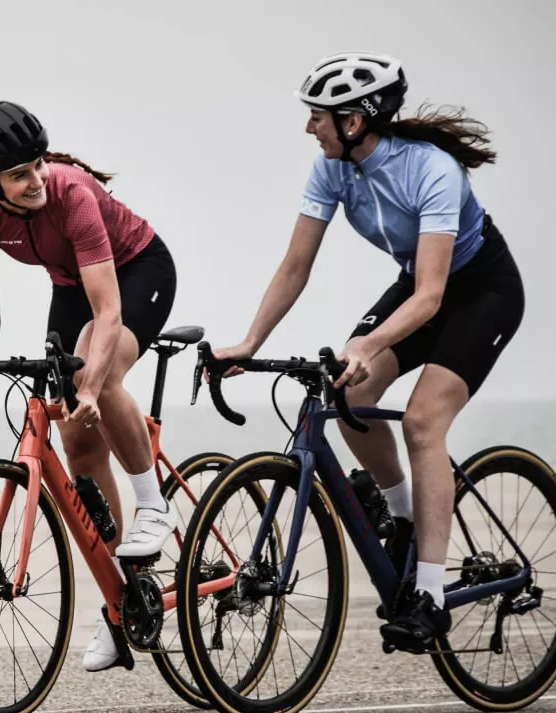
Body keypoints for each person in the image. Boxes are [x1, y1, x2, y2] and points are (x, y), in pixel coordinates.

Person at [212, 51, 525, 652]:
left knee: (422, 422)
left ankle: (430, 598)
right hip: (420, 286)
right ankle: (402, 517)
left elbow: (432, 296)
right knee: (348, 389)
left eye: (317, 117)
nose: (309, 127)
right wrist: (251, 343)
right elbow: (296, 265)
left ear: (353, 122)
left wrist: (370, 340)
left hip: (480, 292)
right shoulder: (331, 169)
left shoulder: (432, 170)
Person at [0, 100, 178, 671]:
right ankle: (123, 604)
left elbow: (108, 311)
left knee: (100, 372)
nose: (37, 180)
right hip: (72, 284)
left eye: (38, 164)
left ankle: (152, 505)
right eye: (19, 174)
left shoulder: (72, 193)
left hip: (137, 271)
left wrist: (91, 384)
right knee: (74, 436)